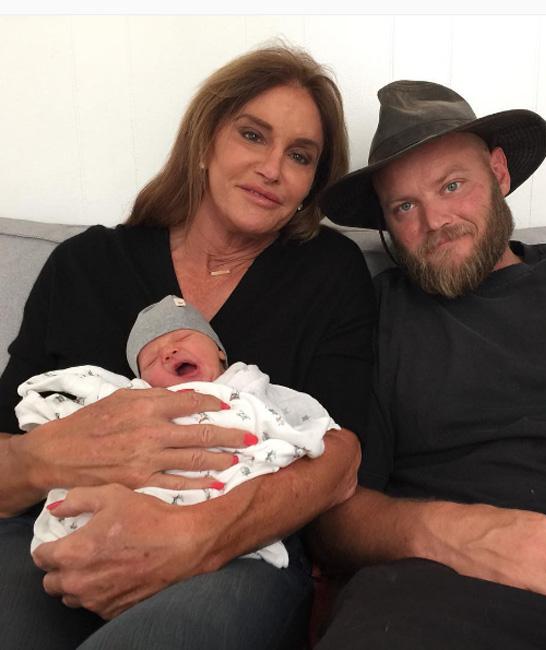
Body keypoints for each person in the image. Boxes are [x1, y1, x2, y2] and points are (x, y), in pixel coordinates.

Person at [0, 45, 375, 649]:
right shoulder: (85, 266)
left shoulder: (328, 274)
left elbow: (343, 457)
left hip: (239, 556)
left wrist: (195, 535)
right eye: (252, 135)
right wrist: (48, 457)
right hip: (49, 535)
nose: (273, 168)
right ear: (204, 142)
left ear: (311, 184)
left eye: (300, 156)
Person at [311, 80, 546, 649]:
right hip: (449, 590)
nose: (435, 221)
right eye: (404, 206)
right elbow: (334, 515)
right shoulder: (374, 317)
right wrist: (453, 533)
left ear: (499, 172)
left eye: (452, 185)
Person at [20, 295, 340, 569]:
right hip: (145, 510)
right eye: (151, 359)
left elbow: (310, 426)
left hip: (234, 514)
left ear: (220, 352)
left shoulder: (250, 386)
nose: (169, 352)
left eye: (183, 338)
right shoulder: (137, 400)